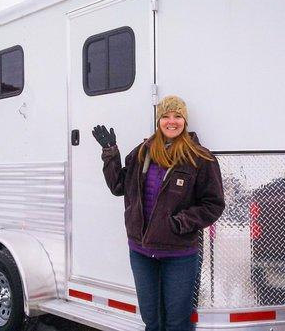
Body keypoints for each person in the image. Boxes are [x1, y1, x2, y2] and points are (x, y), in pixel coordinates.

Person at [92, 96, 225, 331]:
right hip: (141, 252)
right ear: (158, 120)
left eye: (177, 116)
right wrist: (110, 153)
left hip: (179, 254)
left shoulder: (200, 157)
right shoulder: (142, 152)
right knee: (152, 320)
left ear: (185, 120)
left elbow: (213, 204)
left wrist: (181, 222)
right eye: (165, 116)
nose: (171, 121)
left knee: (177, 322)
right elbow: (118, 186)